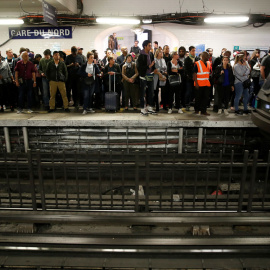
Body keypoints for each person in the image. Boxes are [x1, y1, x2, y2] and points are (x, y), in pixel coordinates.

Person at [136, 40, 157, 116]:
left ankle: (150, 107)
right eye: (149, 45)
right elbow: (139, 67)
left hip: (150, 75)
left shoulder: (151, 54)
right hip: (143, 76)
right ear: (145, 46)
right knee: (142, 93)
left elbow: (152, 63)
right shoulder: (141, 55)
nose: (150, 47)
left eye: (150, 45)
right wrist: (149, 66)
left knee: (151, 92)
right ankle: (142, 108)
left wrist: (153, 68)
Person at [193, 51, 211, 116]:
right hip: (199, 84)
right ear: (203, 56)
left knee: (205, 98)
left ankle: (203, 110)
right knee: (198, 98)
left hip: (206, 84)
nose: (208, 57)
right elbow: (194, 74)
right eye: (207, 56)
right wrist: (196, 83)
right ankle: (197, 109)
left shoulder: (208, 63)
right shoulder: (197, 63)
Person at [184, 46, 199, 111]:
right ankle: (186, 104)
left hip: (196, 78)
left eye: (194, 50)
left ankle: (193, 103)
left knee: (195, 92)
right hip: (189, 78)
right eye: (192, 50)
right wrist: (190, 76)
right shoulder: (187, 59)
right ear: (189, 51)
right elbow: (186, 69)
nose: (194, 52)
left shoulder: (197, 58)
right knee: (188, 91)